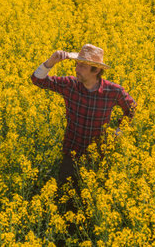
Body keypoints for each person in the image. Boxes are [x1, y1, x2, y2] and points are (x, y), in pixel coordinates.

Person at [30, 43, 137, 222]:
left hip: (98, 156)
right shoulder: (70, 84)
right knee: (64, 200)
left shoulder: (113, 91)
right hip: (71, 153)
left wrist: (118, 132)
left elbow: (131, 108)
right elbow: (37, 80)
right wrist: (51, 61)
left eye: (82, 66)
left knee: (92, 203)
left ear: (96, 71)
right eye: (77, 64)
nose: (76, 68)